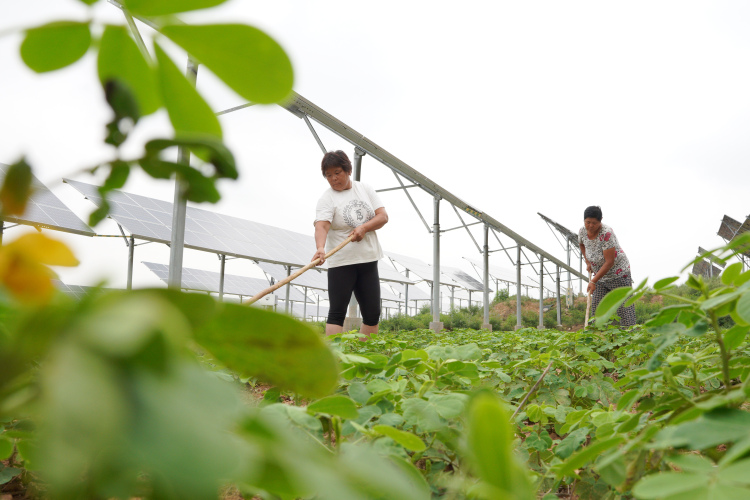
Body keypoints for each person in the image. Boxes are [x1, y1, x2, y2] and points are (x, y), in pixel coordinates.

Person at [312, 150, 389, 338]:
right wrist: (320, 248)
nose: (333, 179)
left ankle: (365, 355)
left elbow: (383, 217)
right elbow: (322, 226)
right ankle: (334, 360)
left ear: (348, 170)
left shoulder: (365, 189)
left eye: (337, 172)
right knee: (337, 312)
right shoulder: (327, 198)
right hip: (341, 262)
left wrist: (364, 227)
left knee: (372, 313)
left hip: (368, 260)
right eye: (328, 175)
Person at [578, 205, 636, 326]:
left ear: (601, 220)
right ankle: (597, 340)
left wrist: (593, 281)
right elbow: (581, 244)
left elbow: (609, 262)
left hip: (618, 274)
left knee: (625, 310)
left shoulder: (606, 234)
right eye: (587, 222)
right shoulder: (582, 231)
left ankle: (630, 340)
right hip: (600, 276)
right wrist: (588, 261)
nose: (590, 226)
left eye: (594, 223)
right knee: (597, 310)